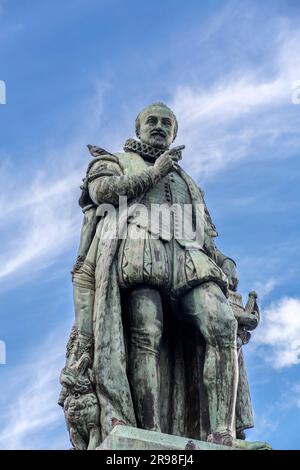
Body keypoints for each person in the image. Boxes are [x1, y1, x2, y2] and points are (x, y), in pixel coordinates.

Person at [59, 102, 268, 450]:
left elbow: (204, 235)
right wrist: (155, 172)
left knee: (221, 326)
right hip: (141, 247)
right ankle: (151, 432)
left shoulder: (188, 181)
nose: (159, 126)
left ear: (173, 133)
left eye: (166, 123)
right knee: (146, 334)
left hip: (189, 256)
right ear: (139, 128)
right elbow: (104, 193)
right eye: (152, 121)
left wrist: (224, 261)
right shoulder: (112, 160)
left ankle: (222, 434)